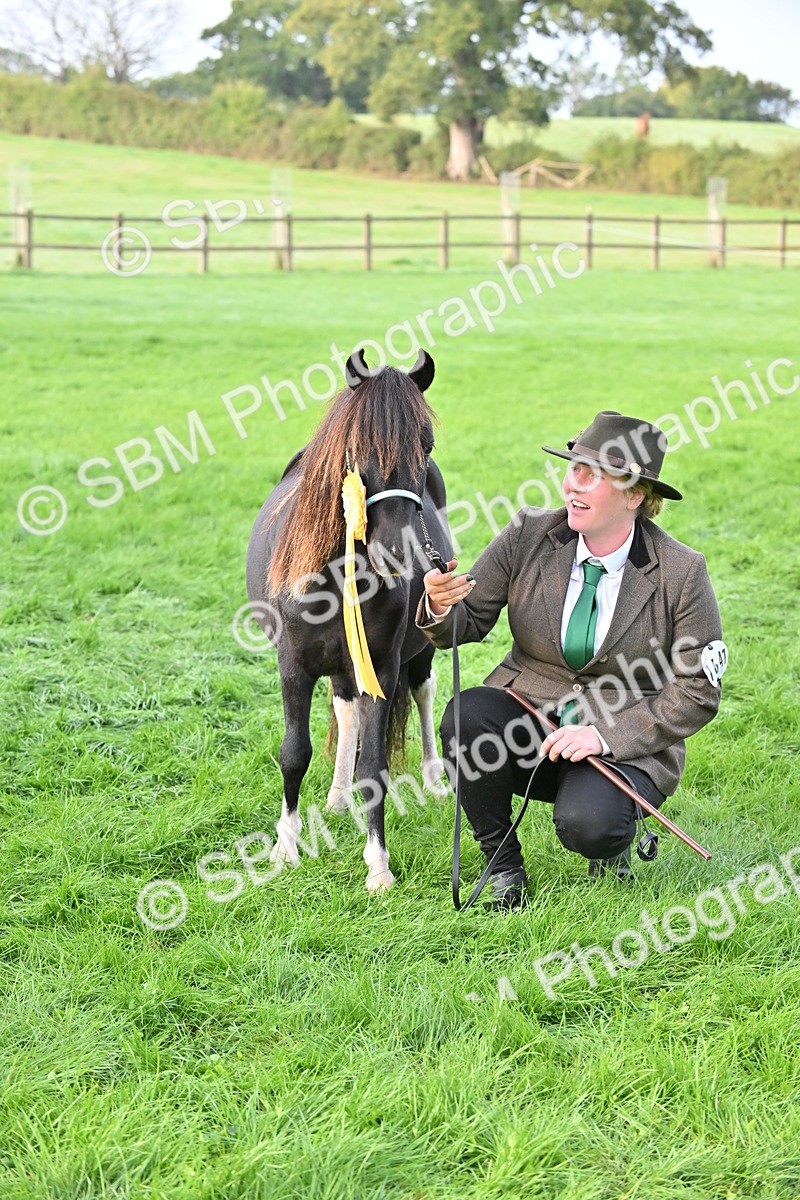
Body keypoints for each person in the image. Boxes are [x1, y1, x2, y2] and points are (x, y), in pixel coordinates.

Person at [416, 410, 724, 909]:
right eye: (572, 467)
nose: (571, 484)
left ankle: (610, 833)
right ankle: (501, 864)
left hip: (622, 738)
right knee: (466, 717)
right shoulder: (528, 535)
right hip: (531, 720)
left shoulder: (683, 573)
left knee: (590, 826)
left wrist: (604, 737)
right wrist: (437, 601)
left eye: (592, 474)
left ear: (635, 495)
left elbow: (697, 691)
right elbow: (466, 622)